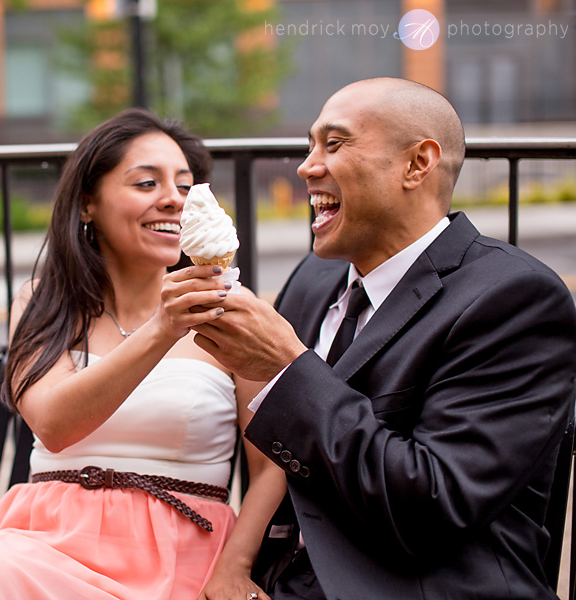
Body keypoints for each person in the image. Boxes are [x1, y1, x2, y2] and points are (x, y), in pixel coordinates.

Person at [192, 77, 576, 599]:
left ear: (418, 164)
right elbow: (285, 471)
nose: (307, 166)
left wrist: (288, 367)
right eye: (309, 146)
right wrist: (238, 569)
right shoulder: (313, 280)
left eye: (334, 143)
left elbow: (431, 507)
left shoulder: (515, 299)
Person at [0, 108, 286, 600]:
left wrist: (235, 569)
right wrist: (162, 328)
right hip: (46, 542)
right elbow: (53, 423)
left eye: (184, 185)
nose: (172, 200)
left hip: (181, 545)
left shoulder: (232, 309)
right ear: (88, 203)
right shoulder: (43, 301)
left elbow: (269, 465)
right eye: (145, 184)